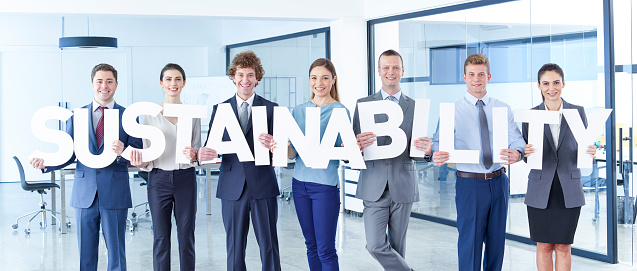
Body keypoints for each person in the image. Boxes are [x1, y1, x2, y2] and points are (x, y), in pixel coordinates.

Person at [30, 63, 142, 271]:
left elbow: (139, 152)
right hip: (84, 193)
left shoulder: (127, 116)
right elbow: (69, 152)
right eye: (99, 81)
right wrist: (47, 163)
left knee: (117, 254)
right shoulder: (77, 115)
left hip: (115, 192)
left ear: (116, 85)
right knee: (86, 256)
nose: (104, 86)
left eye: (109, 81)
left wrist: (124, 151)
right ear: (92, 84)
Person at [431, 53, 525, 271]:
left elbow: (517, 139)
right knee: (470, 244)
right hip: (469, 184)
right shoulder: (452, 110)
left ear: (489, 76)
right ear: (464, 77)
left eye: (481, 74)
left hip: (499, 181)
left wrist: (518, 153)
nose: (476, 79)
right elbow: (438, 143)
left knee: (496, 244)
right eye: (471, 74)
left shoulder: (502, 108)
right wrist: (436, 153)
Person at [197, 51, 281, 271]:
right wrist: (202, 154)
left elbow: (280, 149)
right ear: (233, 77)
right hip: (232, 187)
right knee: (234, 247)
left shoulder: (272, 108)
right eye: (241, 74)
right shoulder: (221, 109)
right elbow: (212, 147)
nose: (245, 80)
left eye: (250, 74)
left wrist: (276, 144)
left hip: (263, 184)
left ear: (257, 77)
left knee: (269, 244)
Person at [353, 49, 432, 271]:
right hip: (373, 184)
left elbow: (420, 149)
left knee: (398, 247)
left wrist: (427, 150)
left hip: (403, 182)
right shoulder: (363, 105)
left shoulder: (415, 106)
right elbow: (352, 148)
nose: (391, 72)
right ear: (378, 71)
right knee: (375, 245)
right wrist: (355, 147)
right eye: (386, 67)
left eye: (395, 67)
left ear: (403, 71)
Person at [523, 63, 596, 271]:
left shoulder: (578, 112)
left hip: (568, 186)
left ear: (563, 84)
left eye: (556, 82)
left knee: (564, 246)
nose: (551, 88)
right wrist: (525, 153)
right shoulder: (531, 115)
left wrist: (589, 150)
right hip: (540, 188)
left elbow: (582, 146)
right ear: (539, 86)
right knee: (544, 245)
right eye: (546, 83)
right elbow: (528, 157)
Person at [129, 63, 200, 271]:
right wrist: (141, 161)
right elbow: (147, 153)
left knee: (186, 235)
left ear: (184, 83)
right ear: (161, 83)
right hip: (158, 180)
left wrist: (195, 155)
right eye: (168, 79)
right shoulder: (149, 116)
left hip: (186, 178)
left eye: (178, 79)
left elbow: (195, 149)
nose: (173, 83)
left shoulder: (192, 114)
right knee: (161, 237)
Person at [285, 58, 347, 270]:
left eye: (324, 78)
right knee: (311, 246)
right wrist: (277, 147)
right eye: (314, 78)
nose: (318, 83)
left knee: (325, 249)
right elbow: (293, 153)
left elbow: (346, 152)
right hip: (299, 185)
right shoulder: (298, 111)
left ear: (333, 80)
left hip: (325, 187)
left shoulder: (340, 112)